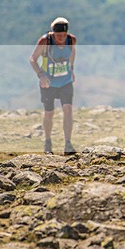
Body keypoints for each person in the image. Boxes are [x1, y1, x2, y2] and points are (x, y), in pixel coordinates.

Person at [29, 17, 77, 155]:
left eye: (63, 35)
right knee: (49, 113)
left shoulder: (71, 40)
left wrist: (71, 69)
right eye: (58, 36)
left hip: (65, 82)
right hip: (48, 84)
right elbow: (33, 59)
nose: (61, 38)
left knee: (68, 110)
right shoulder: (45, 41)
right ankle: (48, 142)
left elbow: (72, 52)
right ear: (53, 33)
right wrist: (40, 75)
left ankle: (68, 144)